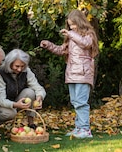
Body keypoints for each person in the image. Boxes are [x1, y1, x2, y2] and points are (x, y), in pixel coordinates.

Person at [40, 9, 99, 138]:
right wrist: (48, 45)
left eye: (74, 24)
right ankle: (79, 128)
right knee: (75, 101)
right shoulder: (71, 37)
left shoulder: (89, 34)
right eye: (70, 25)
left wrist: (71, 34)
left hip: (83, 73)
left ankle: (85, 129)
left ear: (80, 22)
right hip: (71, 73)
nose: (72, 27)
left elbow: (85, 44)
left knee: (81, 102)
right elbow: (62, 50)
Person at [0, 49, 46, 134]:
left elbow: (37, 87)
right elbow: (1, 100)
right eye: (17, 66)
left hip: (15, 101)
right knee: (11, 113)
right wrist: (16, 105)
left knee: (30, 92)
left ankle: (31, 123)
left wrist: (39, 97)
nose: (19, 69)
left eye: (22, 66)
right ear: (9, 64)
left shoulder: (26, 71)